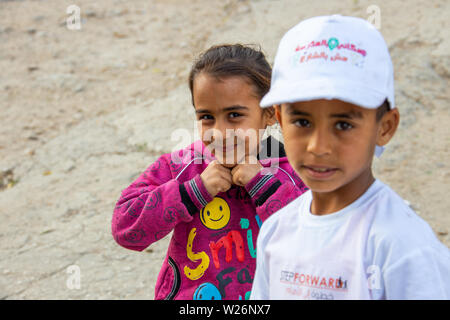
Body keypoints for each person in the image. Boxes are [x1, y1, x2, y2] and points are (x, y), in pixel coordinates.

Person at [250, 15, 450, 300]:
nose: (319, 147)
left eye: (343, 125)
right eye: (303, 122)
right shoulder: (276, 232)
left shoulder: (402, 246)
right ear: (280, 119)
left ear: (385, 127)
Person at [112, 44, 308, 300]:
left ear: (270, 113)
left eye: (235, 115)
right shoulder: (182, 167)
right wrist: (191, 192)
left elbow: (317, 241)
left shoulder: (295, 171)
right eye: (206, 117)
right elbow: (125, 228)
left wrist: (263, 185)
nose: (219, 131)